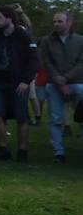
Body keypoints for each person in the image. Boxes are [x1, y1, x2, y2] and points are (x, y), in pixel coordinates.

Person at [0, 7, 38, 161]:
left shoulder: (23, 36)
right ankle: (3, 148)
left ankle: (22, 150)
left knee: (22, 116)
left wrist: (26, 80)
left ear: (9, 19)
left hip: (18, 82)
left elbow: (33, 59)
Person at [41, 12, 83, 163]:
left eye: (60, 21)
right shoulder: (47, 41)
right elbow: (46, 61)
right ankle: (58, 151)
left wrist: (67, 78)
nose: (56, 24)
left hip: (77, 82)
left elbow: (81, 62)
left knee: (81, 116)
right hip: (54, 83)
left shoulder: (80, 40)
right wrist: (58, 80)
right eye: (54, 21)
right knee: (55, 118)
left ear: (69, 22)